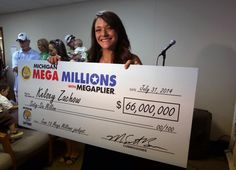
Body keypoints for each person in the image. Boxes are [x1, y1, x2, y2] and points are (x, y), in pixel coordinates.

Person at [48, 39, 80, 165]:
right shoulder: (50, 62)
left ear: (58, 49)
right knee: (63, 129)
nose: (50, 53)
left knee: (71, 128)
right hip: (58, 98)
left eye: (51, 50)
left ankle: (75, 152)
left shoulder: (70, 61)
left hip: (70, 99)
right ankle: (68, 151)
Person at [12, 32, 40, 103]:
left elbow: (39, 71)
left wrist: (21, 68)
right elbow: (15, 69)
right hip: (19, 86)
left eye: (24, 41)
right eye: (20, 42)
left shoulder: (36, 55)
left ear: (29, 41)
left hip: (32, 87)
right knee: (20, 109)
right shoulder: (16, 54)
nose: (22, 43)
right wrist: (31, 68)